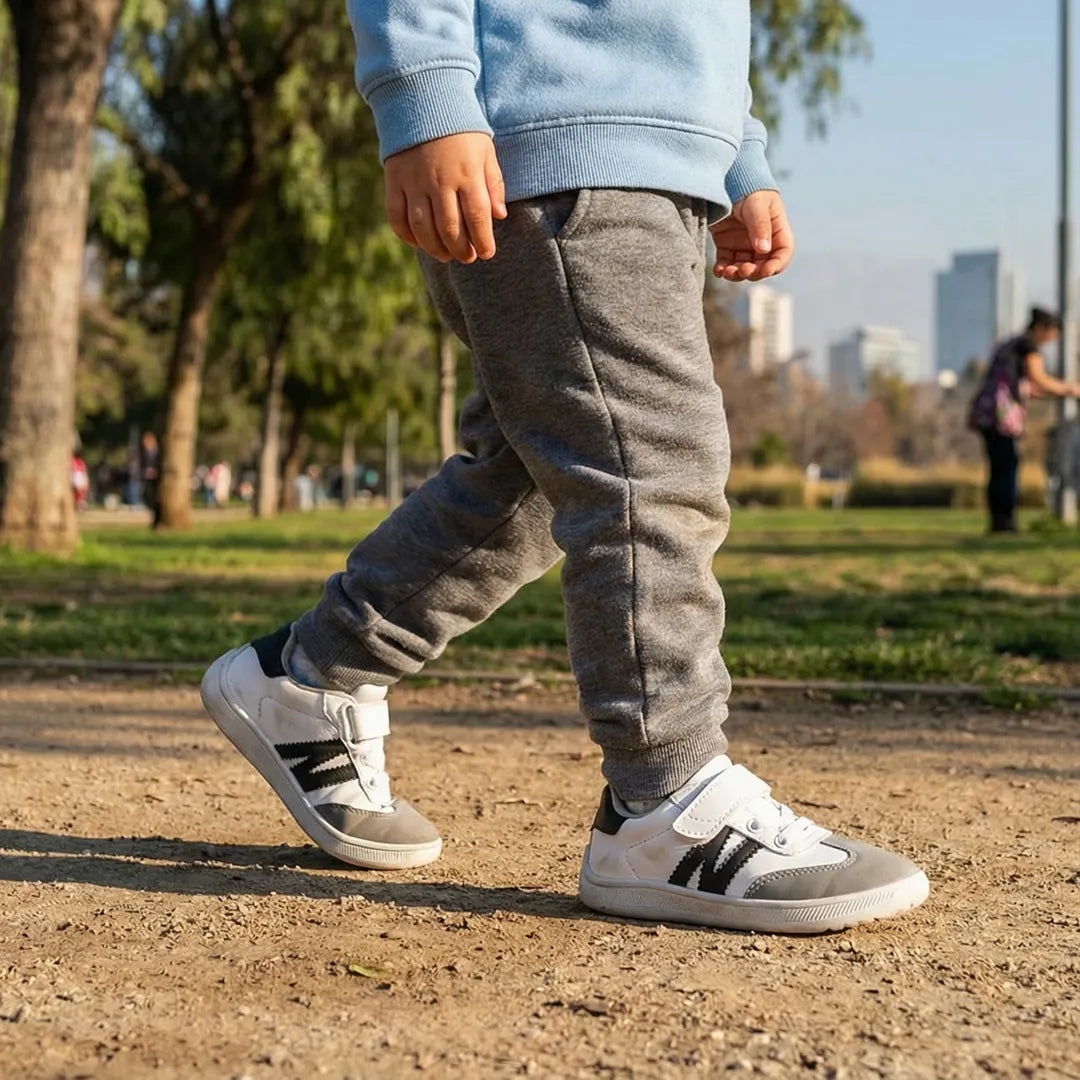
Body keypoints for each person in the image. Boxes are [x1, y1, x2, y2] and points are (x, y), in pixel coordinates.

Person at [201, 1, 929, 934]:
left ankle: (312, 676)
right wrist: (425, 97)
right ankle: (664, 805)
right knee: (650, 470)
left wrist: (735, 153)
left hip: (650, 158)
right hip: (553, 145)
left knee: (537, 474)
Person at [969, 308, 1079, 533]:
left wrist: (1055, 392)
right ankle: (1005, 523)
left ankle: (1000, 522)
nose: (1053, 340)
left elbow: (1028, 387)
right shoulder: (1027, 347)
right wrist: (1070, 389)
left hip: (988, 413)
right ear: (1041, 329)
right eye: (1053, 333)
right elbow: (1039, 379)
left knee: (999, 468)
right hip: (1002, 415)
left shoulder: (1010, 344)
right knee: (1008, 466)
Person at [139, 431, 161, 528]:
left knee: (156, 499)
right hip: (147, 478)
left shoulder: (158, 453)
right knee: (148, 497)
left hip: (156, 480)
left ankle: (157, 521)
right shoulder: (144, 453)